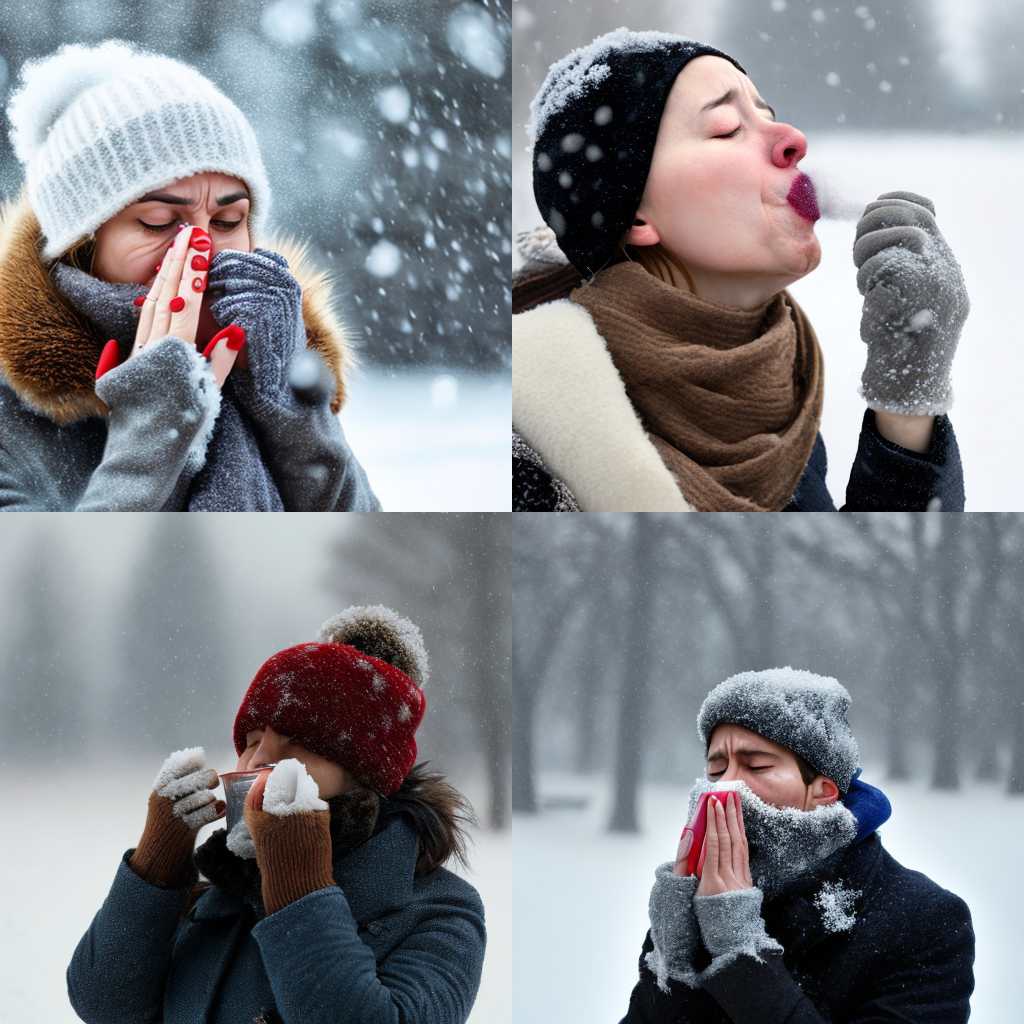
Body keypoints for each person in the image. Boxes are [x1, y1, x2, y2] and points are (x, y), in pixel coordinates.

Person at [513, 28, 969, 511]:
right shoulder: (528, 458)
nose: (793, 140)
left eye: (768, 115)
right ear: (635, 216)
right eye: (728, 127)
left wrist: (908, 399)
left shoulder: (773, 402)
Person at [0, 40, 379, 510]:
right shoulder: (9, 415)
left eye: (227, 222)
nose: (200, 250)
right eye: (158, 222)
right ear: (82, 245)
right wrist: (154, 429)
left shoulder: (264, 357)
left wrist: (293, 413)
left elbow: (373, 568)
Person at [67, 606, 486, 1024]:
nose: (257, 761)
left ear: (363, 774)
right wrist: (157, 865)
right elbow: (106, 1006)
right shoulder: (221, 891)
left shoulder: (440, 911)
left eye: (296, 743)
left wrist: (298, 886)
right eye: (250, 741)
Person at [619, 668, 975, 1022]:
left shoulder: (926, 921)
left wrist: (741, 952)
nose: (723, 787)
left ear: (823, 791)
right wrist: (672, 961)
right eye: (716, 770)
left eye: (755, 766)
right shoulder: (694, 901)